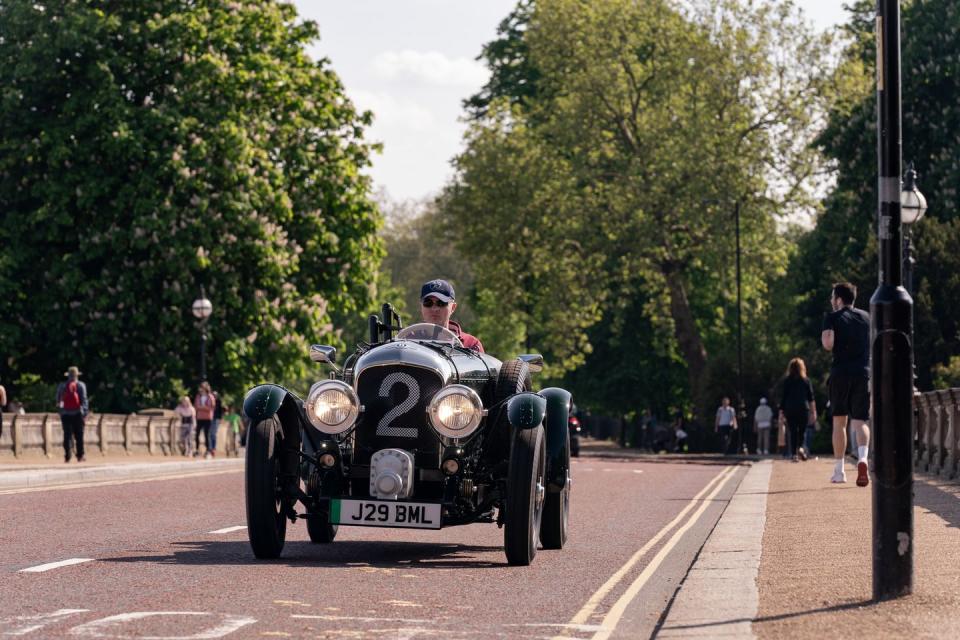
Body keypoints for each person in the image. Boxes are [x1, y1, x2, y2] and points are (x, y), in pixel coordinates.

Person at [821, 281, 871, 486]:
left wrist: (830, 332)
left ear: (839, 299)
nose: (831, 301)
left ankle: (839, 471)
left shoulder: (831, 317)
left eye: (833, 297)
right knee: (860, 421)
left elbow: (827, 344)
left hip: (840, 373)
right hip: (862, 372)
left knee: (839, 422)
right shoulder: (866, 317)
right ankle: (862, 459)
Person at [419, 279, 484, 352]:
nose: (434, 308)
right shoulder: (406, 339)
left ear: (453, 307)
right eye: (428, 303)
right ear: (421, 306)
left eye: (441, 303)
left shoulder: (472, 345)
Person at [779, 358, 817, 462]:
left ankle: (794, 454)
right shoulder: (806, 380)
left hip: (790, 408)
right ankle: (800, 447)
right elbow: (811, 397)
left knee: (792, 431)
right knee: (802, 430)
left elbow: (784, 397)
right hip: (803, 408)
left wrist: (781, 412)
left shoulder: (787, 381)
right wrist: (813, 412)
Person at [56, 366, 89, 463]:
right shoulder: (81, 385)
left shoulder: (62, 386)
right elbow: (84, 400)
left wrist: (61, 411)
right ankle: (80, 455)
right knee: (79, 435)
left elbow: (58, 399)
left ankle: (67, 456)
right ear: (77, 375)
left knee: (67, 435)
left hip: (65, 414)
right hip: (78, 413)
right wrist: (84, 413)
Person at [194, 381, 217, 457]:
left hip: (207, 418)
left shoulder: (210, 396)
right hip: (199, 417)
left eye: (203, 387)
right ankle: (197, 450)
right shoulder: (198, 396)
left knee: (207, 434)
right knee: (197, 434)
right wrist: (204, 407)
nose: (201, 389)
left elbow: (212, 407)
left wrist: (202, 407)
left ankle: (208, 450)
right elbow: (196, 406)